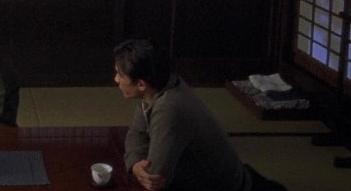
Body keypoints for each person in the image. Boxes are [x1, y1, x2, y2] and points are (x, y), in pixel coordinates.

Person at [114, 38, 270, 191]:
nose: (116, 79)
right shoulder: (160, 85)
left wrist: (139, 167)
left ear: (141, 84)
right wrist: (135, 164)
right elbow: (136, 132)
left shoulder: (170, 108)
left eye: (120, 75)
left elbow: (154, 177)